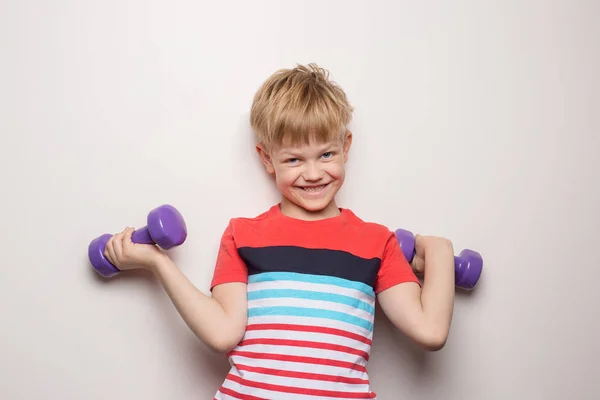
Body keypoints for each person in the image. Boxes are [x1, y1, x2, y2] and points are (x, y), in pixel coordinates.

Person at [103, 63, 456, 399]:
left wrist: (438, 250)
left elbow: (430, 331)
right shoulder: (243, 235)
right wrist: (157, 262)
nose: (314, 173)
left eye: (327, 154)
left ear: (346, 148)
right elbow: (222, 332)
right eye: (294, 160)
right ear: (267, 159)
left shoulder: (377, 242)